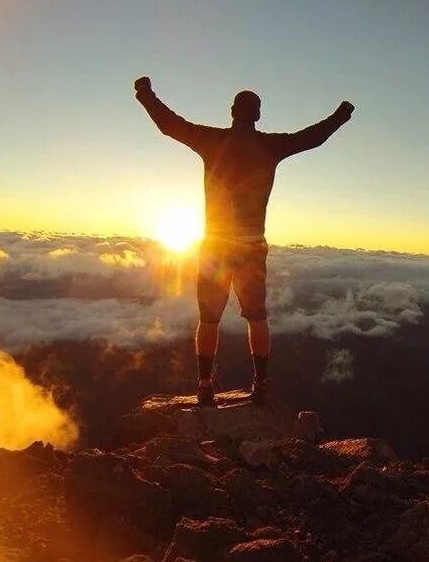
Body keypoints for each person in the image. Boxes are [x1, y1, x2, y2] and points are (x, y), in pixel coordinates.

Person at [135, 76, 354, 406]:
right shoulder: (271, 146)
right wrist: (341, 114)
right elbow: (314, 137)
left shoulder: (211, 140)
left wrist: (145, 94)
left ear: (233, 112)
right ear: (259, 115)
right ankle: (261, 384)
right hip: (252, 246)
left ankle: (205, 385)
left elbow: (170, 125)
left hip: (215, 245)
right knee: (257, 317)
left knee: (208, 319)